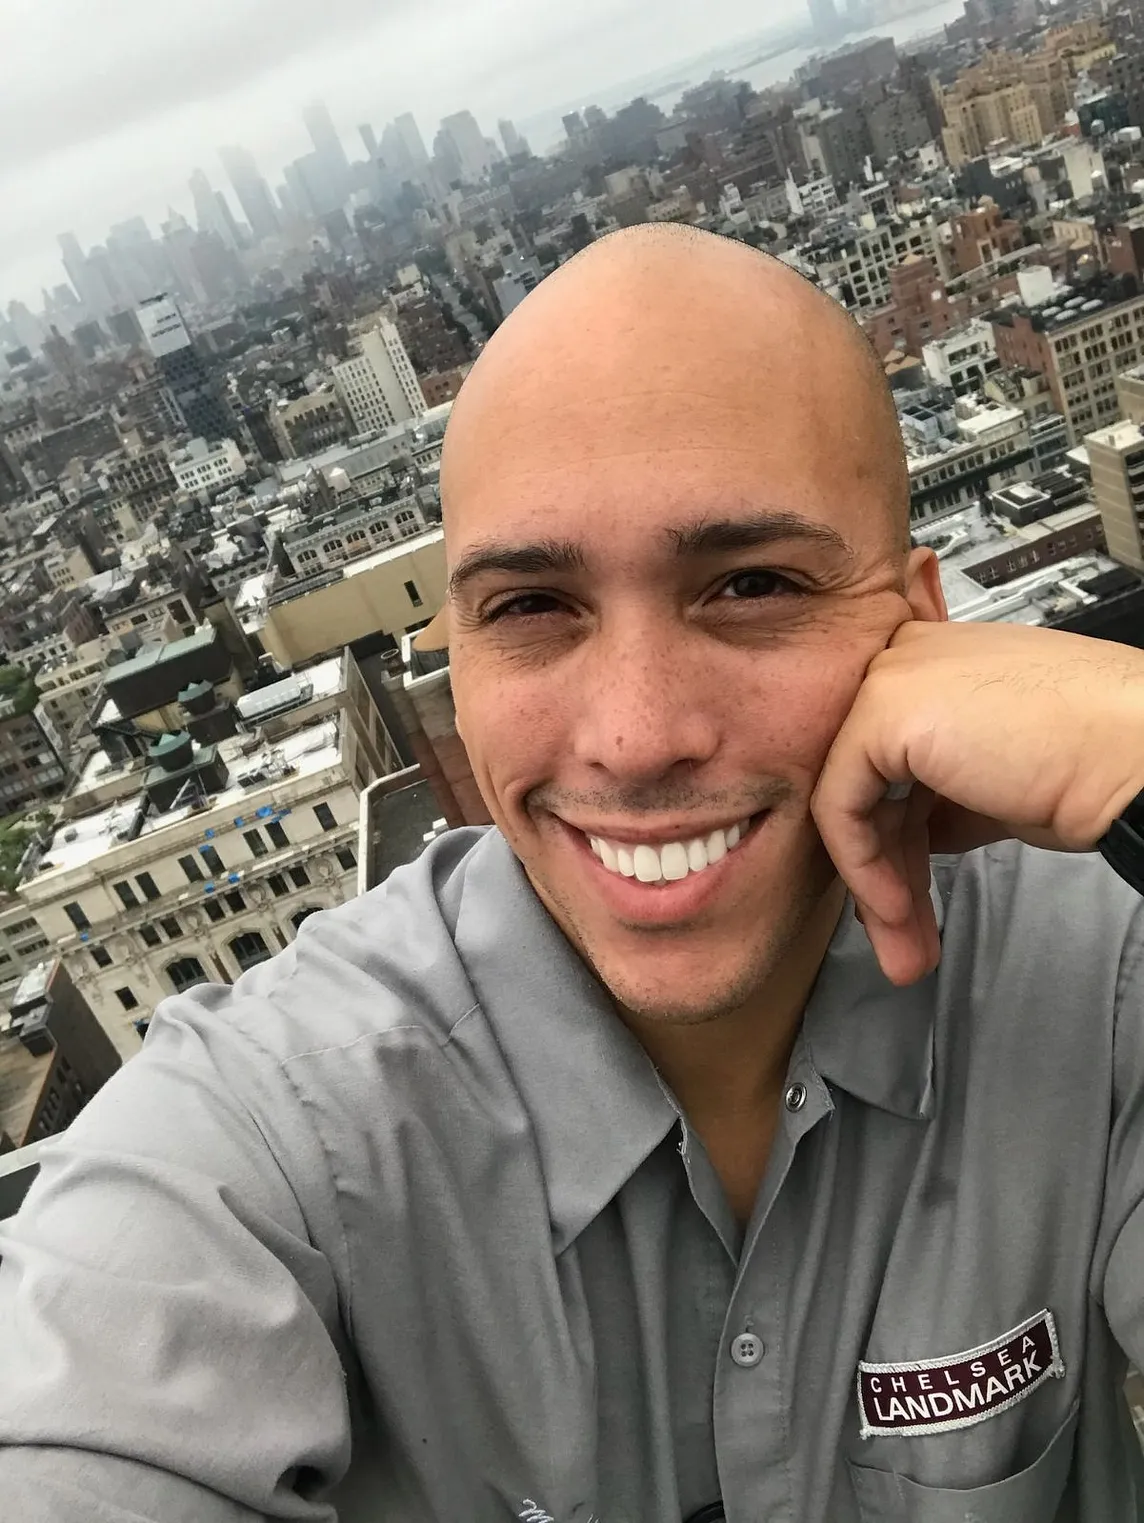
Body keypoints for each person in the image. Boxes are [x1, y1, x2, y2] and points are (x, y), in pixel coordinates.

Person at [3, 224, 1144, 1523]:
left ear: (923, 625)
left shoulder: (1096, 964)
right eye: (532, 606)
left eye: (752, 583)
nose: (635, 734)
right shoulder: (278, 1134)